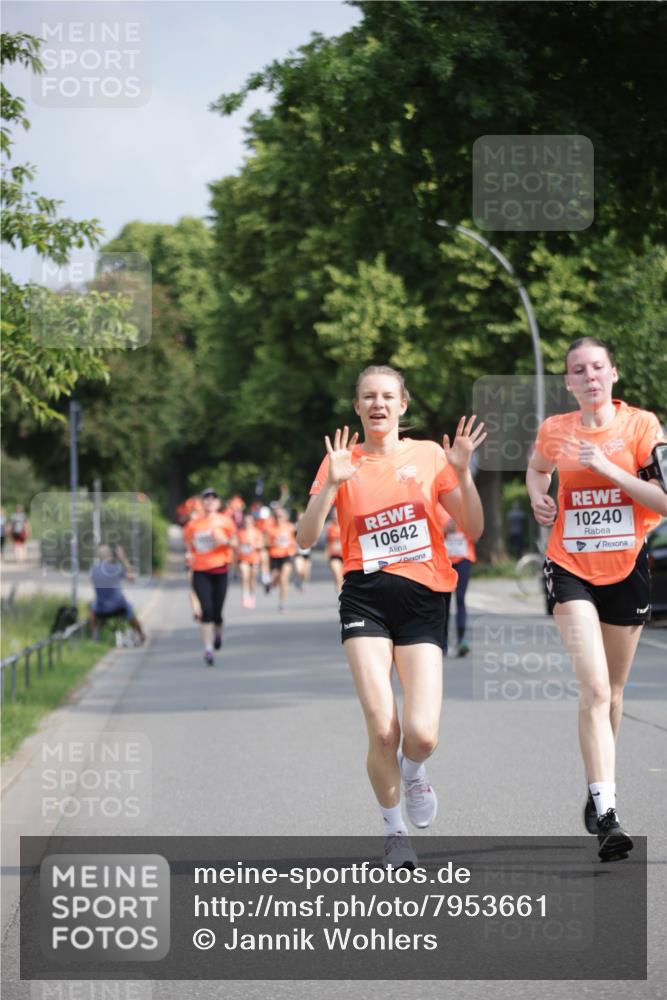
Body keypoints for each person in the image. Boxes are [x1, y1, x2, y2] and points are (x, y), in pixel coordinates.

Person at [297, 365, 485, 868]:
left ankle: (414, 769)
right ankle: (394, 830)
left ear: (403, 405)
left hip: (424, 600)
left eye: (387, 396)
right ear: (356, 408)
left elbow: (472, 525)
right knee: (382, 728)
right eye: (367, 397)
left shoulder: (427, 455)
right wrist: (328, 487)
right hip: (365, 598)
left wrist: (462, 473)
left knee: (421, 734)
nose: (378, 404)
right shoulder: (341, 461)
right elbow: (305, 537)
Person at [526, 337, 667, 862]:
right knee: (594, 687)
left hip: (627, 568)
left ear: (613, 374)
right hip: (570, 569)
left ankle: (595, 786)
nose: (589, 377)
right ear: (567, 382)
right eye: (578, 370)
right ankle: (608, 813)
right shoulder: (556, 430)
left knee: (615, 690)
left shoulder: (641, 427)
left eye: (597, 368)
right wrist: (538, 495)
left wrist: (608, 469)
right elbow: (538, 467)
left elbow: (664, 501)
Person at [182, 488, 236, 665]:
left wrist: (225, 541)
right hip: (201, 570)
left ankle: (218, 632)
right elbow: (189, 547)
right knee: (206, 609)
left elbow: (236, 542)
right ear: (202, 503)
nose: (210, 501)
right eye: (206, 498)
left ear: (218, 503)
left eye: (213, 498)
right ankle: (208, 649)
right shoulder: (193, 525)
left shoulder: (226, 522)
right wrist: (188, 555)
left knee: (217, 612)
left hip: (220, 569)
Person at [88, 544, 146, 643]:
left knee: (91, 607)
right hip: (119, 607)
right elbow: (132, 578)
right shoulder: (116, 568)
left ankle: (95, 633)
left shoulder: (93, 570)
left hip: (101, 609)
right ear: (110, 555)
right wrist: (123, 558)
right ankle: (141, 634)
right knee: (130, 611)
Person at [443, 516, 476, 657]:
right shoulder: (436, 505)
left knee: (461, 599)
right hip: (444, 560)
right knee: (444, 602)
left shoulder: (465, 505)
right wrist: (443, 530)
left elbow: (477, 532)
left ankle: (461, 640)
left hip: (463, 558)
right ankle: (442, 642)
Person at [264, 507, 297, 612]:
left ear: (285, 517)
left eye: (281, 516)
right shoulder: (270, 528)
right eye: (277, 516)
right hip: (274, 556)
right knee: (275, 579)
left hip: (286, 555)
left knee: (284, 579)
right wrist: (273, 543)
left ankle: (282, 603)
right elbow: (265, 543)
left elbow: (294, 541)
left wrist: (293, 549)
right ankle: (270, 584)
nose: (279, 518)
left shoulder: (290, 527)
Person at [237, 513, 263, 608]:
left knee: (252, 578)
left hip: (254, 558)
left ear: (252, 522)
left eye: (249, 521)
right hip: (243, 558)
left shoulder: (257, 532)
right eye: (246, 521)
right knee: (244, 576)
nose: (247, 523)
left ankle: (252, 595)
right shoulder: (240, 532)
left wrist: (254, 545)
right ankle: (245, 595)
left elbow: (261, 544)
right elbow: (236, 545)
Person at [325, 509, 344, 594]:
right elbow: (328, 541)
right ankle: (340, 596)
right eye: (333, 515)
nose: (335, 516)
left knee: (344, 577)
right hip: (334, 555)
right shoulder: (330, 527)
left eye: (336, 514)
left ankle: (345, 594)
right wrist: (326, 552)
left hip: (346, 555)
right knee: (337, 576)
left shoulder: (345, 524)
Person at [294, 512, 313, 592]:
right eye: (300, 519)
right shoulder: (295, 529)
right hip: (298, 553)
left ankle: (302, 583)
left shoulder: (310, 528)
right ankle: (298, 580)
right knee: (299, 570)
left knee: (306, 573)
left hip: (307, 553)